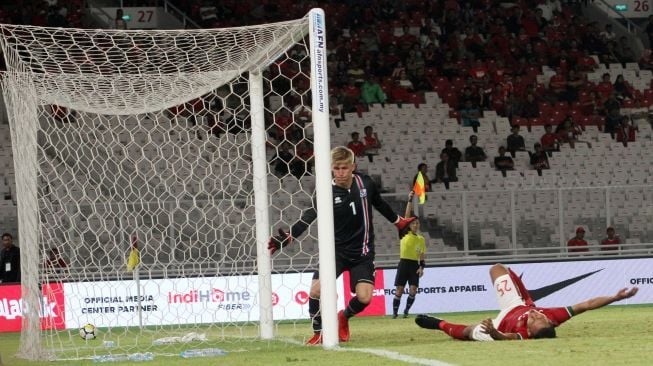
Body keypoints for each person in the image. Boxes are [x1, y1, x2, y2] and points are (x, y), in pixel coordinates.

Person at [268, 146, 416, 345]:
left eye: (344, 168)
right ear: (331, 168)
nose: (340, 173)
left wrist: (398, 221)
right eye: (336, 168)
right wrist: (290, 235)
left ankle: (343, 317)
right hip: (335, 253)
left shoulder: (366, 183)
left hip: (362, 253)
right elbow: (310, 215)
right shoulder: (325, 190)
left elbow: (380, 204)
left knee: (364, 298)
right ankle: (318, 332)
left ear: (353, 167)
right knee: (315, 292)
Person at [415, 263, 639, 340]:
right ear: (550, 323)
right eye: (541, 317)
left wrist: (492, 331)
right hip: (515, 304)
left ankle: (438, 324)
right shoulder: (553, 317)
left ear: (529, 332)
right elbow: (587, 305)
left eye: (535, 319)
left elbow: (504, 338)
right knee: (496, 269)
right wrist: (616, 297)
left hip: (499, 326)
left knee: (467, 333)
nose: (537, 315)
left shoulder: (522, 335)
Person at [392, 191, 426, 319]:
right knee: (399, 290)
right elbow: (406, 217)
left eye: (417, 223)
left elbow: (422, 255)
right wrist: (410, 200)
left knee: (413, 290)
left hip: (414, 266)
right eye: (413, 223)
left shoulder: (421, 239)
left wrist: (422, 267)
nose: (416, 225)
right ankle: (395, 312)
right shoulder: (404, 233)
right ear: (409, 225)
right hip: (404, 264)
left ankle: (406, 311)